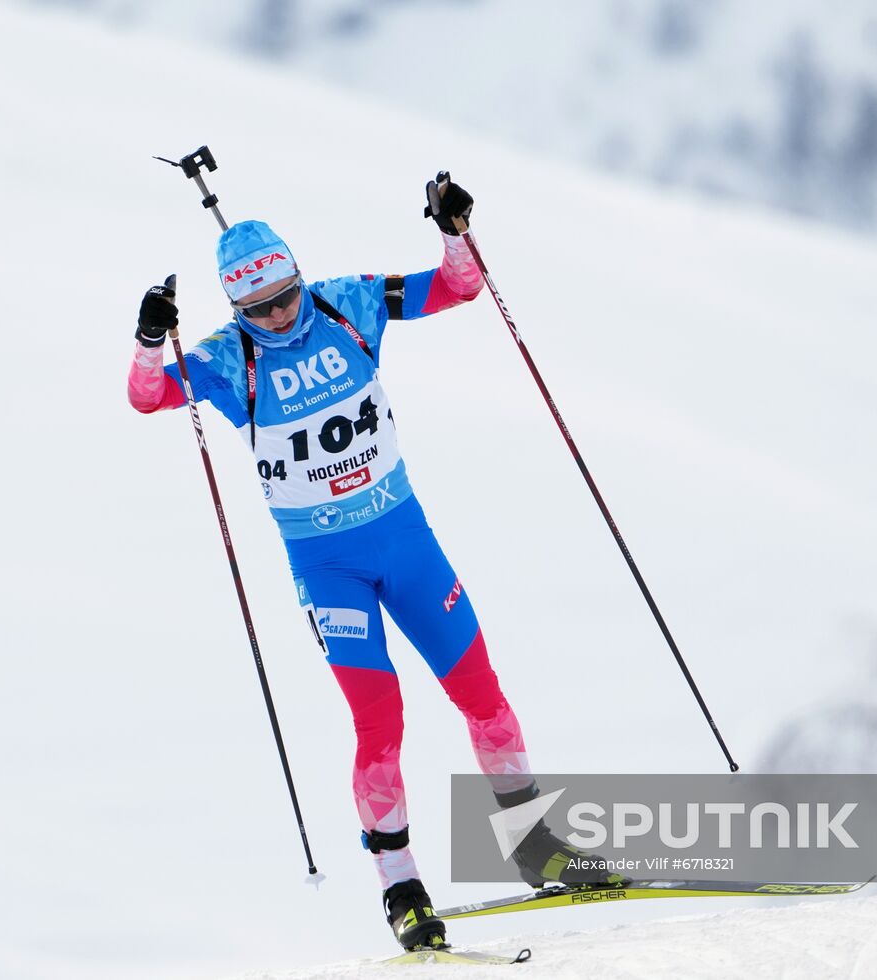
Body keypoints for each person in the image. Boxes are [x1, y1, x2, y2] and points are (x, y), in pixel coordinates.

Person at [126, 175, 620, 950]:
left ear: (298, 275)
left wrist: (453, 228)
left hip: (406, 542)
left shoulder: (346, 303)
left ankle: (536, 846)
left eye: (285, 295)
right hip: (328, 569)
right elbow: (146, 396)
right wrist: (151, 337)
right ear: (236, 311)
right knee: (380, 724)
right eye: (260, 309)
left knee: (482, 696)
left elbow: (460, 286)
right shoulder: (226, 359)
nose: (280, 315)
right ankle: (403, 890)